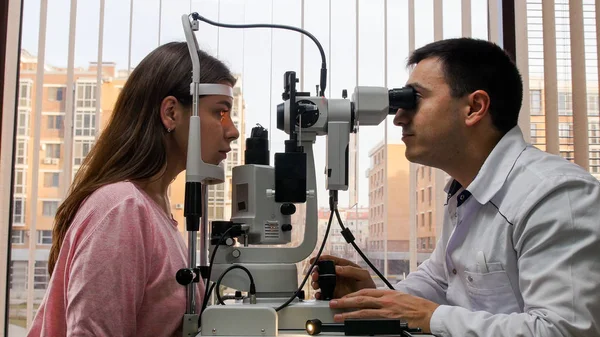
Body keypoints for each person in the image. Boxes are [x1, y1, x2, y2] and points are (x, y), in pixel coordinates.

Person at [311, 38, 600, 336]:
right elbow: (440, 280)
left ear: (474, 107)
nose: (398, 117)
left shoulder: (555, 195)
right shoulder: (464, 193)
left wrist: (432, 318)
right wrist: (377, 297)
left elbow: (563, 330)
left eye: (414, 99)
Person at [27, 42, 239, 337]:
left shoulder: (155, 212)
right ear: (171, 113)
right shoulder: (121, 209)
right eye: (220, 113)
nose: (233, 131)